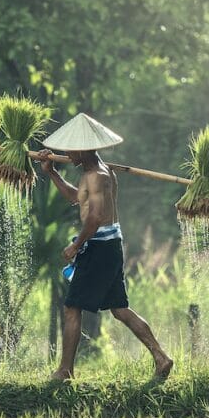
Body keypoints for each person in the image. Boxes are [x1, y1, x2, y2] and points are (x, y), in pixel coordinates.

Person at [35, 113, 174, 382]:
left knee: (72, 307)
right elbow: (78, 198)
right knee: (119, 308)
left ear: (83, 148)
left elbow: (95, 218)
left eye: (70, 148)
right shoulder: (98, 172)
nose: (66, 152)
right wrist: (51, 173)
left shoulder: (98, 175)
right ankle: (161, 357)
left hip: (99, 247)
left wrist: (76, 245)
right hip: (110, 245)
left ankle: (65, 371)